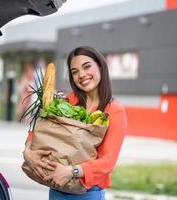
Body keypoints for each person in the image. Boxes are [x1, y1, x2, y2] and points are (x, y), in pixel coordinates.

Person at [23, 46, 127, 199]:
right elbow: (43, 127)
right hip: (56, 190)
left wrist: (71, 171)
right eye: (75, 72)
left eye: (86, 67)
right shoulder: (67, 101)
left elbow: (107, 162)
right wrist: (27, 151)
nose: (82, 75)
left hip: (87, 193)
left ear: (100, 66)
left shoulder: (114, 111)